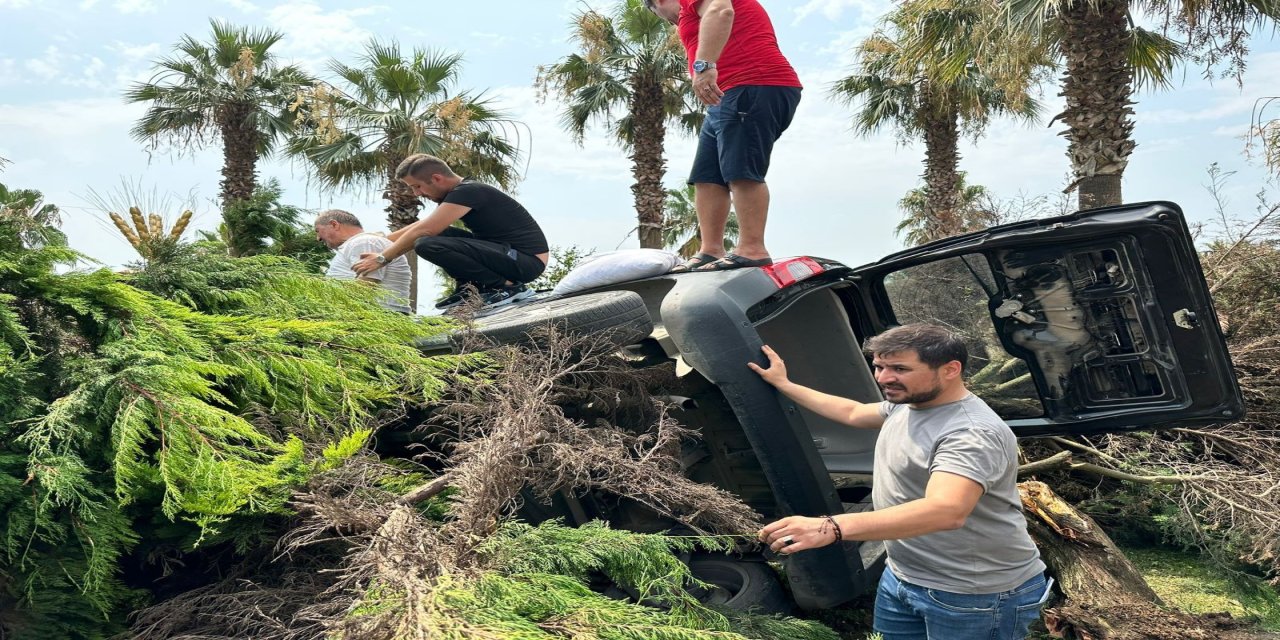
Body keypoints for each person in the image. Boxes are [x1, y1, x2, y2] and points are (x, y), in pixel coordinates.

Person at [751, 324, 1050, 640]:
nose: (883, 377)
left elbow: (946, 510)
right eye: (879, 366)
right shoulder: (907, 403)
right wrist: (784, 384)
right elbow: (853, 412)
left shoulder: (970, 433)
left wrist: (830, 527)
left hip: (975, 595)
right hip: (903, 576)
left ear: (950, 370)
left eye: (899, 368)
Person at [645, 0, 802, 272]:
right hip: (726, 94)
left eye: (663, 17)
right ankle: (710, 250)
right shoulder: (689, 12)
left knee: (740, 169)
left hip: (753, 82)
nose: (671, 23)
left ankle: (752, 248)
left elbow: (720, 10)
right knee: (707, 176)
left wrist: (703, 66)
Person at [352, 154, 549, 309]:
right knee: (438, 234)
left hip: (526, 261)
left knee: (426, 243)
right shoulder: (460, 193)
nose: (416, 194)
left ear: (436, 178)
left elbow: (425, 229)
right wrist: (383, 239)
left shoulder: (468, 191)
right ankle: (469, 288)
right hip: (504, 254)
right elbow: (425, 224)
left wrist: (382, 259)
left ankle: (506, 287)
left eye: (417, 187)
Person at [314, 209, 412, 314]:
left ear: (334, 224)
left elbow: (366, 286)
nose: (318, 238)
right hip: (368, 315)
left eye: (318, 231)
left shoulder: (363, 242)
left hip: (375, 316)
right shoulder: (361, 242)